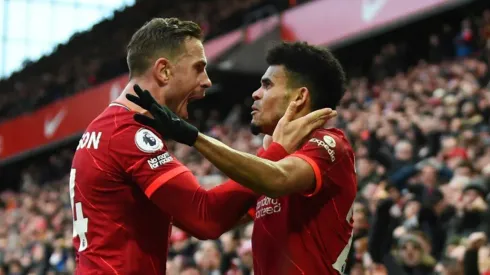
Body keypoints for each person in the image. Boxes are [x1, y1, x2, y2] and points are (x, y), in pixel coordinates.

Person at [70, 18, 332, 274]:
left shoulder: (106, 127)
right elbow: (205, 218)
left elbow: (194, 218)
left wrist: (267, 197)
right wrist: (276, 152)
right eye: (199, 68)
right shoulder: (127, 133)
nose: (207, 80)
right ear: (164, 71)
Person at [128, 41, 357, 274]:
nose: (255, 94)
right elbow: (211, 218)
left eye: (267, 85)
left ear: (299, 97)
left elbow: (277, 179)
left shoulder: (331, 145)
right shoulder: (266, 162)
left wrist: (193, 137)